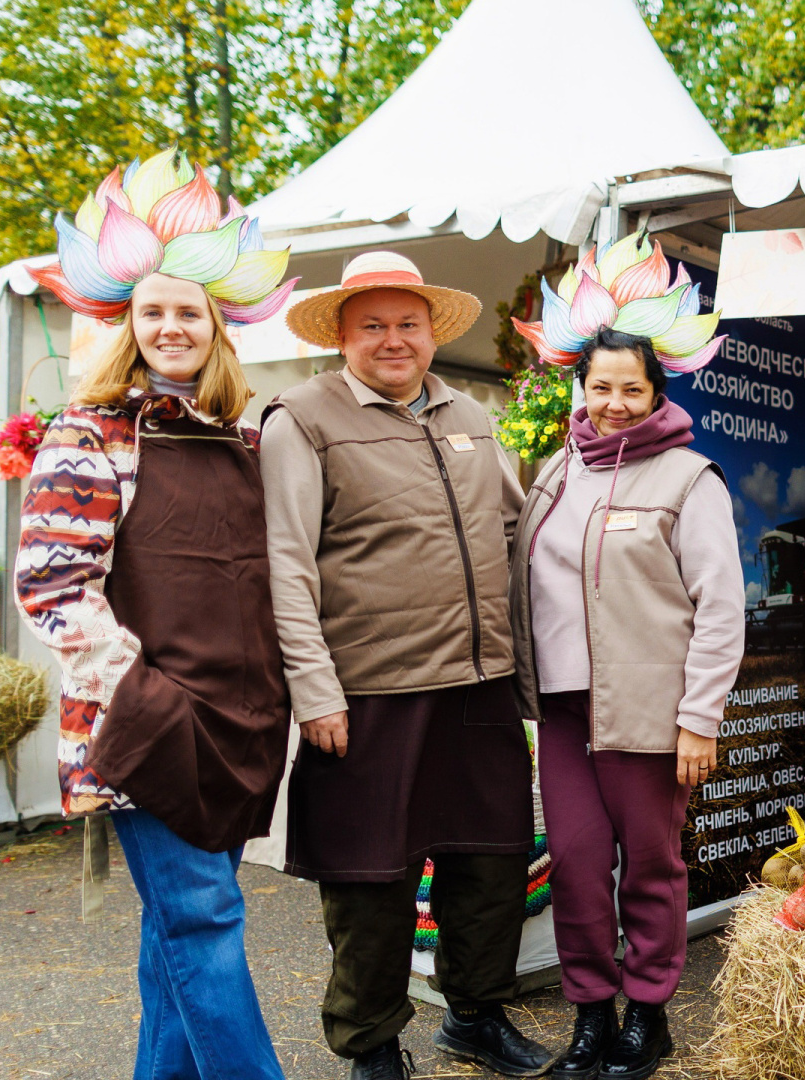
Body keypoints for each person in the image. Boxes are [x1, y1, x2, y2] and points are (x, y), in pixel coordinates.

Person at [16, 150, 296, 1080]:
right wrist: (143, 695)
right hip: (142, 727)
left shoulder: (240, 441)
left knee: (175, 932)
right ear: (126, 326)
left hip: (235, 722)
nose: (171, 327)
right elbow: (53, 586)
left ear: (215, 331)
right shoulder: (88, 434)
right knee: (204, 920)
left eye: (190, 312)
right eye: (154, 312)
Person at [264, 250, 551, 1080]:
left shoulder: (472, 412)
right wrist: (314, 690)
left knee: (492, 863)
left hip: (478, 684)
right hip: (368, 692)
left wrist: (528, 673)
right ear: (344, 336)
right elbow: (287, 563)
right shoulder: (303, 418)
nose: (394, 340)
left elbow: (512, 531)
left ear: (430, 334)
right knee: (369, 881)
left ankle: (475, 1015)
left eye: (408, 325)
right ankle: (371, 1044)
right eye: (374, 326)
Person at [507, 233, 745, 1080]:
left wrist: (698, 721)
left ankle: (649, 1015)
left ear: (657, 392)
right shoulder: (553, 474)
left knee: (650, 865)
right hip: (567, 711)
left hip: (650, 716)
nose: (613, 403)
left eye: (630, 389)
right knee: (572, 863)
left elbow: (722, 609)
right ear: (581, 385)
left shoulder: (690, 481)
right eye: (600, 387)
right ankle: (589, 1016)